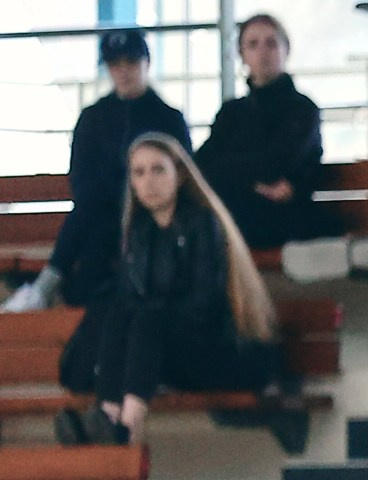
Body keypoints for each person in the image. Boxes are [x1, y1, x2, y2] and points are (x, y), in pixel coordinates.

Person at [54, 135, 281, 447]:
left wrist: (150, 315)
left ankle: (126, 427)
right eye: (139, 172)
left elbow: (204, 308)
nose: (148, 181)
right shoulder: (139, 231)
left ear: (180, 174)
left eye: (158, 170)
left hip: (216, 352)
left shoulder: (204, 224)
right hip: (161, 351)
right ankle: (108, 414)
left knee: (147, 318)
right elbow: (129, 301)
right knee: (119, 313)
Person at [4, 30, 191, 314]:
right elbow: (81, 179)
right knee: (93, 245)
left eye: (131, 62)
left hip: (151, 215)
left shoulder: (168, 118)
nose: (123, 71)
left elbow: (184, 175)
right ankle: (54, 291)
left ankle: (47, 284)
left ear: (146, 63)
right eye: (115, 64)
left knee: (94, 240)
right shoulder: (93, 118)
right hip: (101, 218)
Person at [198, 13, 337, 252]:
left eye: (271, 43)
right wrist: (253, 186)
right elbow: (203, 165)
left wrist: (234, 171)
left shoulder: (302, 110)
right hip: (238, 216)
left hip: (285, 219)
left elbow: (274, 162)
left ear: (286, 50)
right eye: (253, 44)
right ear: (242, 54)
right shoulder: (231, 113)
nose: (263, 52)